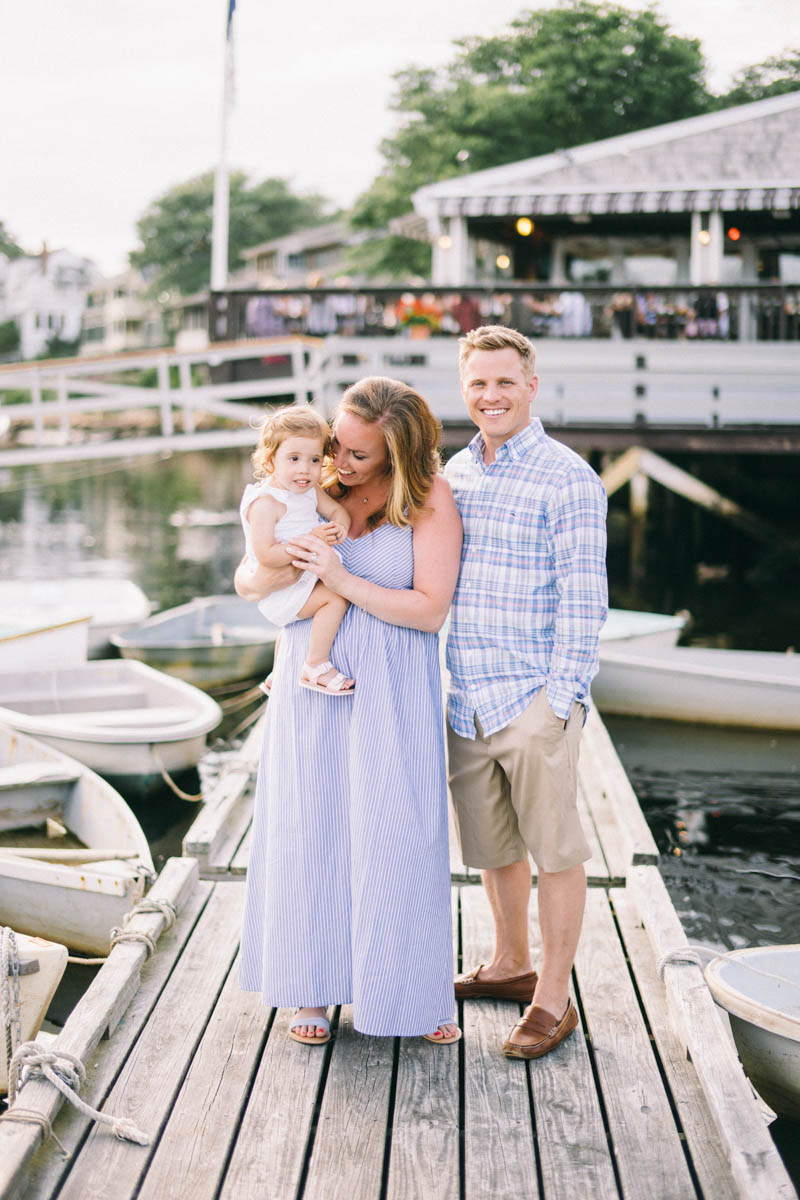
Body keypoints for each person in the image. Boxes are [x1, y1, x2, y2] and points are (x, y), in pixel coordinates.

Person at [235, 379, 463, 1046]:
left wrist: (340, 580)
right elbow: (252, 575)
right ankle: (310, 984)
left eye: (358, 454)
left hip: (392, 685)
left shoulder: (428, 500)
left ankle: (409, 991)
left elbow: (429, 610)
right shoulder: (308, 485)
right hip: (312, 678)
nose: (338, 457)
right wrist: (261, 577)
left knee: (398, 834)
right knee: (314, 823)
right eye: (338, 440)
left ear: (397, 453)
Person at [445, 325, 608, 1059]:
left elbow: (585, 599)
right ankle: (511, 965)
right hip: (465, 697)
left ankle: (552, 998)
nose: (491, 395)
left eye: (505, 381)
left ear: (531, 386)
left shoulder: (567, 476)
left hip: (532, 698)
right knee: (493, 848)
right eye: (478, 382)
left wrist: (561, 701)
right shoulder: (457, 472)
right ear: (465, 388)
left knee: (555, 853)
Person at [240, 405, 354, 695]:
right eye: (293, 458)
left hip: (299, 577)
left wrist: (340, 525)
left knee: (293, 627)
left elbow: (336, 510)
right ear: (270, 460)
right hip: (279, 589)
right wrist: (309, 540)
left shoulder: (308, 489)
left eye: (314, 459)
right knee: (336, 598)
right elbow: (266, 554)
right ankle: (315, 666)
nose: (305, 469)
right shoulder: (266, 504)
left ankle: (277, 674)